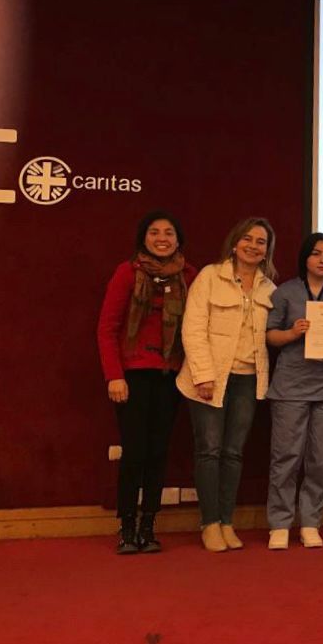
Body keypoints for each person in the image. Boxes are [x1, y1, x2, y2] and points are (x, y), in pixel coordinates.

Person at [98, 211, 196, 554]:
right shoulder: (128, 273)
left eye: (169, 232)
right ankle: (127, 526)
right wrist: (114, 375)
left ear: (178, 240)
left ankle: (148, 525)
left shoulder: (189, 276)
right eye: (154, 232)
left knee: (158, 451)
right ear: (143, 238)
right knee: (134, 452)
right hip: (132, 376)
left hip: (171, 376)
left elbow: (196, 328)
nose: (162, 238)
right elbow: (107, 328)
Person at [176, 217, 277, 553]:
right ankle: (209, 523)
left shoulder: (269, 288)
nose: (253, 246)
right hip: (209, 379)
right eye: (247, 239)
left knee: (233, 453)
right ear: (234, 243)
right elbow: (193, 328)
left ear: (267, 251)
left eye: (260, 242)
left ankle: (226, 521)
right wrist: (204, 375)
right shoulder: (209, 276)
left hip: (248, 379)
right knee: (209, 450)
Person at [265, 233, 323, 550]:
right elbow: (271, 337)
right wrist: (293, 332)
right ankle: (279, 523)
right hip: (291, 386)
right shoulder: (285, 292)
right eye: (317, 253)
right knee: (286, 457)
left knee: (321, 459)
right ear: (305, 257)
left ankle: (310, 522)